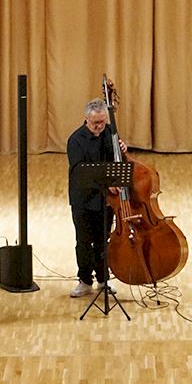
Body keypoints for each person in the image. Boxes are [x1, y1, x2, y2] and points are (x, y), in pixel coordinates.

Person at [66, 99, 125, 298]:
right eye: (95, 123)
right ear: (86, 119)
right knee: (83, 241)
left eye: (102, 122)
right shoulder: (76, 140)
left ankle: (103, 279)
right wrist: (107, 183)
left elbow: (116, 163)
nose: (99, 126)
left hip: (105, 200)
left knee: (103, 241)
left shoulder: (110, 133)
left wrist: (122, 150)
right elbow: (80, 172)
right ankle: (84, 281)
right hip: (83, 198)